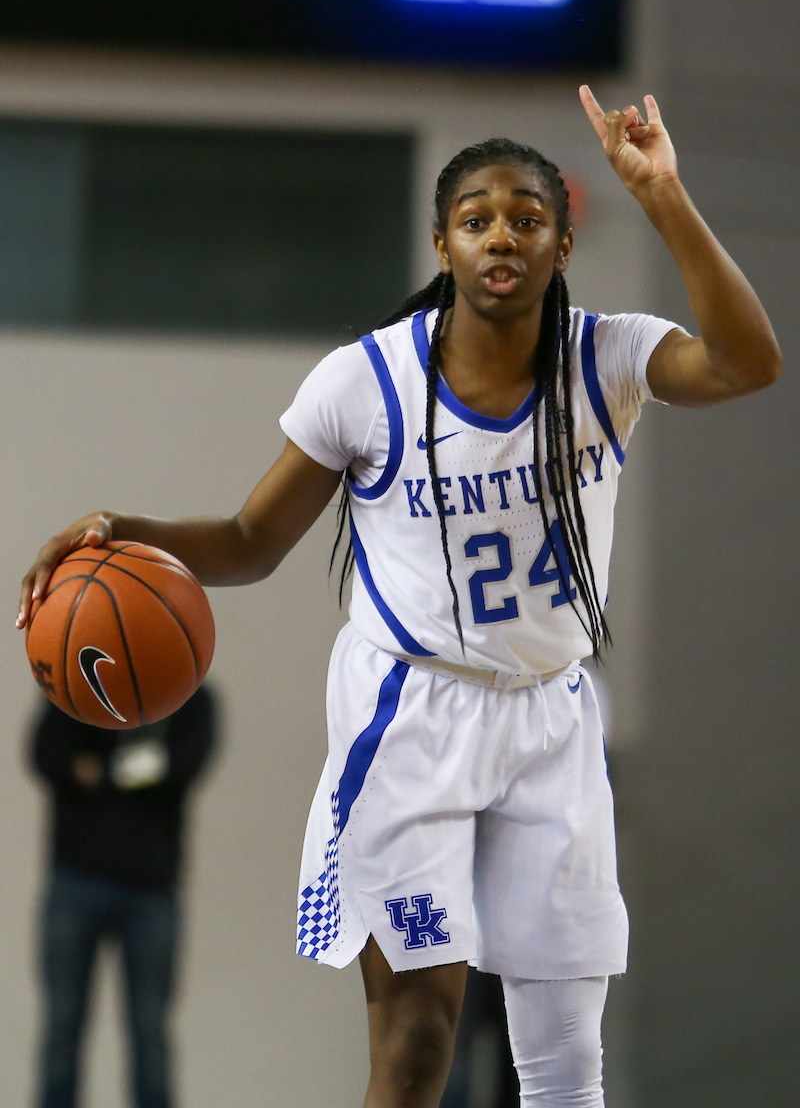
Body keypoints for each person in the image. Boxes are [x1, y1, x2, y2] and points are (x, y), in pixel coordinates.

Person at [18, 88, 781, 1108]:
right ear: (441, 244)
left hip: (549, 716)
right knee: (419, 1043)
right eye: (475, 218)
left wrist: (663, 196)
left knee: (561, 1063)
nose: (499, 234)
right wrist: (127, 529)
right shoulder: (363, 380)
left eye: (526, 216)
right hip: (409, 716)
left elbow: (746, 362)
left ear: (559, 244)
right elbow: (251, 544)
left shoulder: (606, 357)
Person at [29, 684, 218, 1108]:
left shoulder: (189, 697)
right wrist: (139, 773)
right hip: (74, 879)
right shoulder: (74, 688)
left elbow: (184, 766)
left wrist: (99, 770)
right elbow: (46, 756)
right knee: (62, 1026)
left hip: (151, 889)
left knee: (149, 1031)